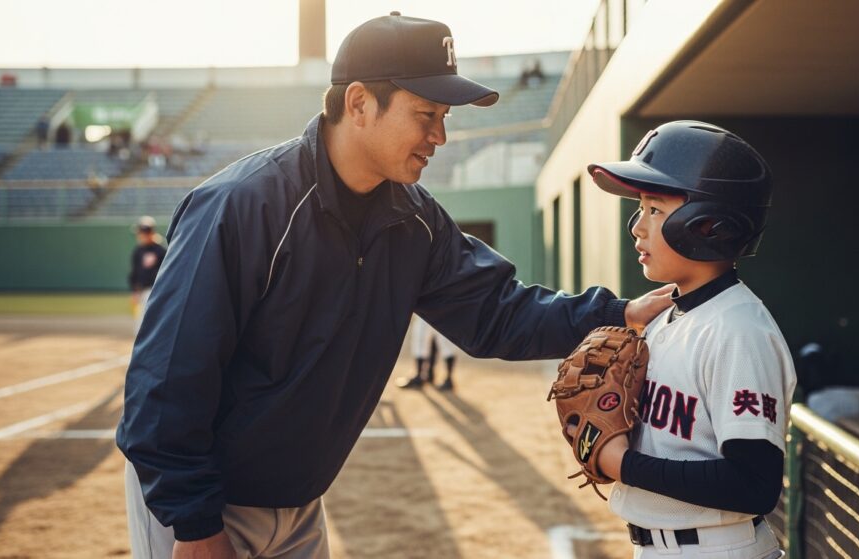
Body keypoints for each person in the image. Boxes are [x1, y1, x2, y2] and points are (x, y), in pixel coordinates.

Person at [116, 13, 675, 559]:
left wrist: (620, 312)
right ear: (359, 103)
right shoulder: (242, 206)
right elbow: (166, 380)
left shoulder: (416, 222)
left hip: (300, 503)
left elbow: (498, 313)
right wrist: (192, 520)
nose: (440, 135)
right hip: (204, 506)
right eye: (426, 113)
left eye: (444, 116)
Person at [568, 121, 797, 558]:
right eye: (640, 209)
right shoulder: (664, 317)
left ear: (709, 225)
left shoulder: (738, 329)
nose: (637, 227)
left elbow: (754, 485)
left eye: (655, 209)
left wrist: (621, 463)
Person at [127, 216, 166, 335]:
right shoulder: (138, 251)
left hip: (155, 290)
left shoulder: (160, 250)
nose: (139, 235)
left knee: (151, 319)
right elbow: (135, 272)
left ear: (149, 232)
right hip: (142, 290)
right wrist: (134, 290)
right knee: (140, 321)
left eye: (142, 232)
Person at [397, 315, 458, 390]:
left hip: (445, 310)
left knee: (446, 343)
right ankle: (423, 375)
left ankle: (448, 379)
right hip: (426, 311)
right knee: (421, 339)